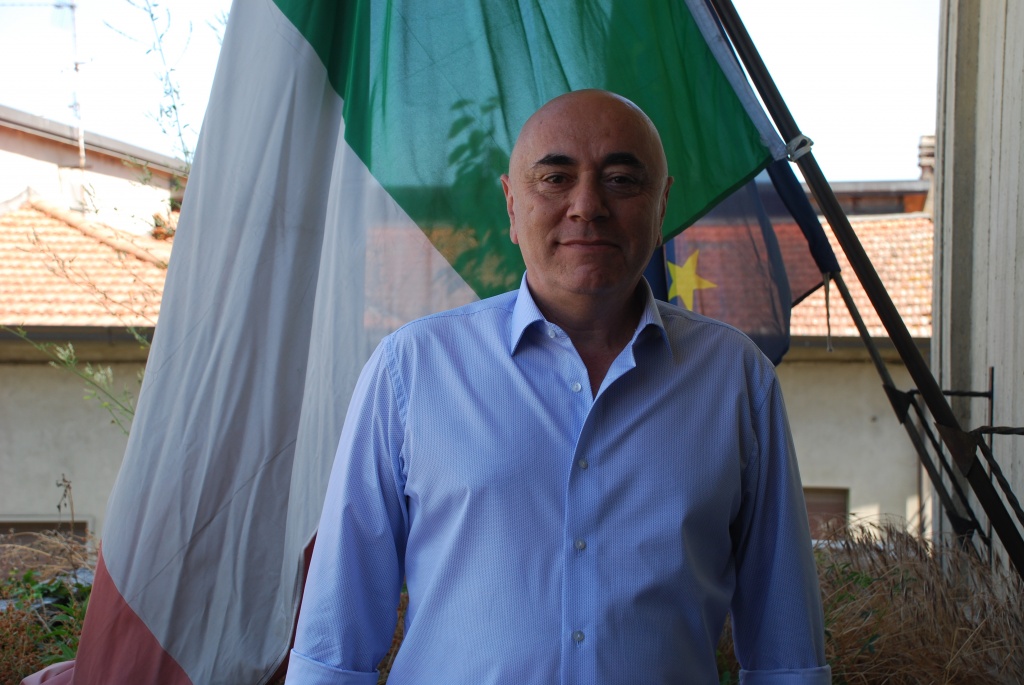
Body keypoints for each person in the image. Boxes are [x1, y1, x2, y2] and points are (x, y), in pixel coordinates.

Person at [285, 90, 830, 684]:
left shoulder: (736, 379)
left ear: (662, 205)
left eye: (621, 180)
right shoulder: (411, 370)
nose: (587, 206)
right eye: (555, 178)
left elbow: (788, 659)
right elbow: (333, 649)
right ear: (511, 204)